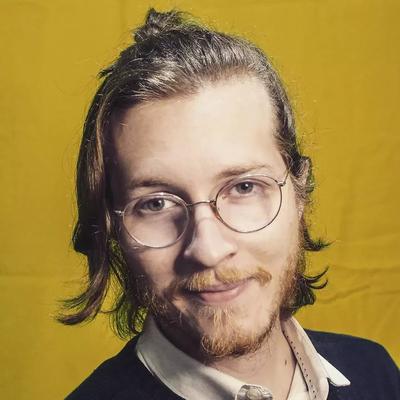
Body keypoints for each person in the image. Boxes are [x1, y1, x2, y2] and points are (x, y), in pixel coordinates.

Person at [59, 8, 400, 400]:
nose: (208, 250)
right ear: (112, 229)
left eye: (244, 187)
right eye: (156, 204)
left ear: (299, 192)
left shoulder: (376, 372)